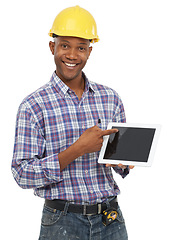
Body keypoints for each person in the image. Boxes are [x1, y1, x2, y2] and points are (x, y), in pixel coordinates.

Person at [11, 5, 134, 240]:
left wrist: (123, 163)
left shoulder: (110, 98)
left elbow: (118, 162)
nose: (72, 55)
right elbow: (21, 173)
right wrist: (77, 149)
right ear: (52, 47)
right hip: (62, 221)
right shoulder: (33, 106)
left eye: (81, 47)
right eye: (65, 45)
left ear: (89, 51)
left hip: (110, 218)